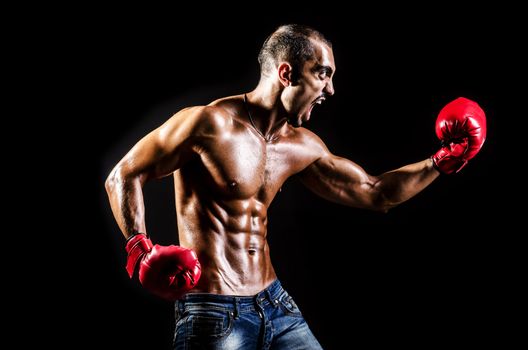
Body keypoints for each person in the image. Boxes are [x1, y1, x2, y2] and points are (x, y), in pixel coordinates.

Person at [105, 24, 486, 350]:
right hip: (213, 311)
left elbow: (375, 192)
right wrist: (140, 249)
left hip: (275, 304)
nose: (331, 89)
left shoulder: (302, 145)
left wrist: (445, 160)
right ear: (287, 73)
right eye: (322, 73)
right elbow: (123, 175)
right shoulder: (208, 124)